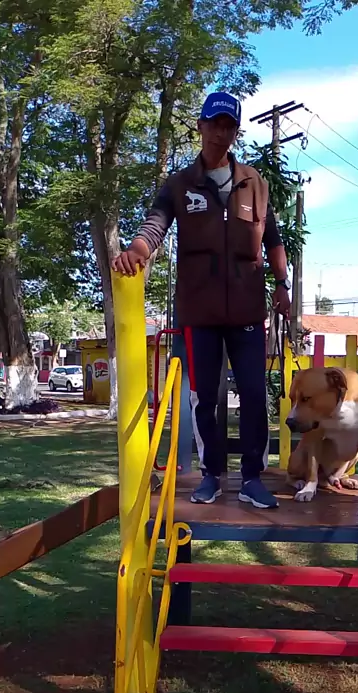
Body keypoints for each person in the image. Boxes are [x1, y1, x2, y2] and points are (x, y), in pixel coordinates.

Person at [112, 91, 291, 509]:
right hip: (199, 312)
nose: (220, 132)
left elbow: (273, 239)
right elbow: (155, 224)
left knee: (254, 394)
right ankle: (211, 474)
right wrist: (137, 250)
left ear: (235, 132)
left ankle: (251, 478)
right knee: (204, 397)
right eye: (214, 124)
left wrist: (283, 285)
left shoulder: (255, 182)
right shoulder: (180, 183)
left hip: (247, 309)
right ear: (201, 126)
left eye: (229, 126)